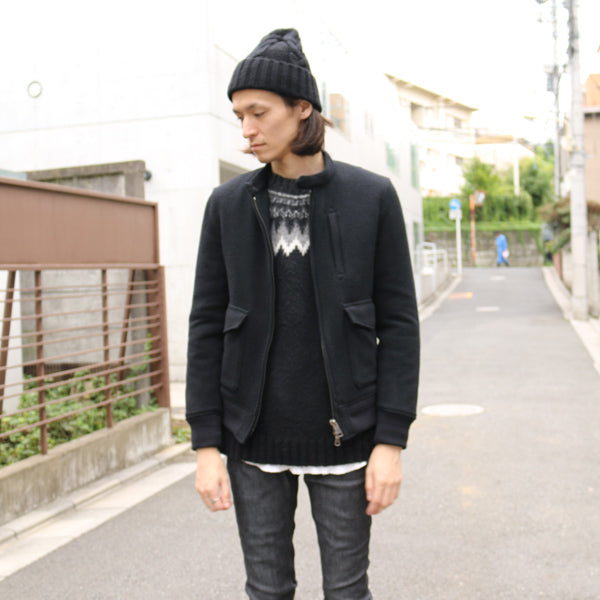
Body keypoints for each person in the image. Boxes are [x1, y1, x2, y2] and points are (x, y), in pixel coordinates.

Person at [186, 28, 420, 600]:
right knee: (266, 592)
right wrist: (206, 445)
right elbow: (206, 326)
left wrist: (390, 441)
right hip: (252, 441)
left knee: (347, 592)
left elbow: (399, 325)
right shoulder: (228, 205)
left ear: (302, 108)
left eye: (258, 113)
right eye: (239, 116)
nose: (247, 129)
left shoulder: (372, 197)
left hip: (346, 441)